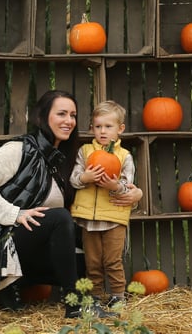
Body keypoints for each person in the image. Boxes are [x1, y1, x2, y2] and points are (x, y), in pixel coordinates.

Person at [0, 90, 142, 318]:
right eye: (61, 113)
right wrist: (15, 213)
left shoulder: (62, 159)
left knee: (83, 249)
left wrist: (135, 195)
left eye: (73, 115)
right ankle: (75, 307)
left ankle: (9, 286)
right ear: (43, 117)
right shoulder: (19, 149)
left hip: (27, 248)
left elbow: (85, 200)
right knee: (59, 217)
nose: (69, 121)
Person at [70, 100, 138, 308]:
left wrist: (115, 185)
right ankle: (96, 297)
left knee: (112, 260)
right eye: (98, 126)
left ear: (120, 129)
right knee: (92, 263)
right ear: (92, 128)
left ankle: (118, 295)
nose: (102, 131)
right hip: (89, 219)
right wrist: (85, 177)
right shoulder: (85, 152)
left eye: (108, 127)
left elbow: (128, 186)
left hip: (114, 217)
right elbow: (74, 179)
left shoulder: (124, 156)